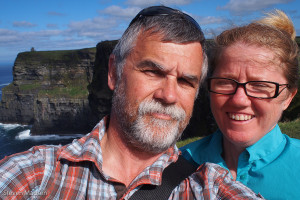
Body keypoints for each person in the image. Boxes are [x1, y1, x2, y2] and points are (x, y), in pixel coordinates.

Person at [0, 6, 262, 200]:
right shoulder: (35, 175)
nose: (169, 96)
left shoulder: (208, 187)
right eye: (153, 72)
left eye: (185, 81)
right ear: (114, 72)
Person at [181, 9, 300, 199]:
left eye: (260, 86)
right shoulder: (176, 164)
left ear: (288, 97)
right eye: (225, 82)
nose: (239, 100)